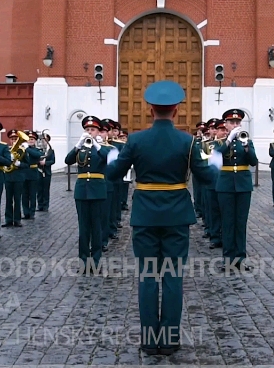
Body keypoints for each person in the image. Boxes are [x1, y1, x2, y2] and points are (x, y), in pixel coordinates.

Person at [105, 80, 215, 356]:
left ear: (150, 110)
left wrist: (114, 157)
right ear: (176, 111)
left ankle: (149, 340)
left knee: (148, 276)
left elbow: (113, 174)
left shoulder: (136, 140)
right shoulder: (188, 141)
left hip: (144, 216)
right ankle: (169, 340)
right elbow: (208, 177)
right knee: (173, 277)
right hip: (177, 216)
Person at [214, 108, 259, 271]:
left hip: (243, 184)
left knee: (240, 222)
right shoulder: (219, 142)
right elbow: (216, 158)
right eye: (232, 122)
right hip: (225, 184)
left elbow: (253, 162)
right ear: (225, 125)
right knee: (227, 222)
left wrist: (247, 147)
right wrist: (228, 141)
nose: (235, 125)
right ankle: (228, 259)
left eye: (237, 122)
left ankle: (240, 258)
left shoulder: (246, 140)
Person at [66, 116, 108, 272]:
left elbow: (110, 159)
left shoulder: (103, 148)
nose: (89, 132)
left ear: (98, 132)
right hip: (82, 191)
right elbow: (68, 160)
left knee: (96, 227)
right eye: (87, 129)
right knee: (83, 228)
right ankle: (83, 262)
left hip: (97, 190)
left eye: (93, 129)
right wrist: (77, 145)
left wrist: (97, 145)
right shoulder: (81, 148)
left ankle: (95, 262)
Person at [204, 119, 226, 249]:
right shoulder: (208, 145)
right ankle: (215, 236)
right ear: (216, 131)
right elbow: (204, 163)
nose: (224, 132)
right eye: (221, 130)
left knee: (225, 211)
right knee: (213, 211)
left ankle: (225, 236)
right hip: (212, 182)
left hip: (226, 183)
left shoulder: (231, 144)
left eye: (225, 130)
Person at [3, 129, 28, 228]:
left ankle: (17, 220)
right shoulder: (6, 150)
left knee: (17, 199)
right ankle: (8, 219)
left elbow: (27, 164)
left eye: (15, 139)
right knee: (8, 199)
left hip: (18, 177)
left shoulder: (22, 150)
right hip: (8, 177)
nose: (13, 141)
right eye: (12, 139)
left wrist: (19, 163)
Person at [21, 130, 44, 220]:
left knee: (32, 194)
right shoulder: (22, 149)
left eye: (33, 139)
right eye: (29, 139)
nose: (31, 141)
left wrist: (27, 149)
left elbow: (37, 155)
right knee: (25, 195)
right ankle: (26, 212)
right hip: (24, 173)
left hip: (33, 173)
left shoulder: (36, 150)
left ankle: (32, 213)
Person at [192, 121, 209, 217]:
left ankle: (203, 211)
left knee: (204, 193)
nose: (202, 132)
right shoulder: (195, 140)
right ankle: (198, 209)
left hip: (206, 169)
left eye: (203, 130)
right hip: (198, 169)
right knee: (197, 191)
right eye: (200, 130)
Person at [36, 133, 56, 212]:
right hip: (39, 171)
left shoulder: (50, 150)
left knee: (46, 189)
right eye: (42, 139)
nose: (43, 141)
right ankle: (40, 205)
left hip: (47, 172)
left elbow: (53, 161)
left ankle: (45, 206)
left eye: (45, 139)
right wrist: (39, 162)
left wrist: (46, 163)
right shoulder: (38, 149)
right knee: (39, 189)